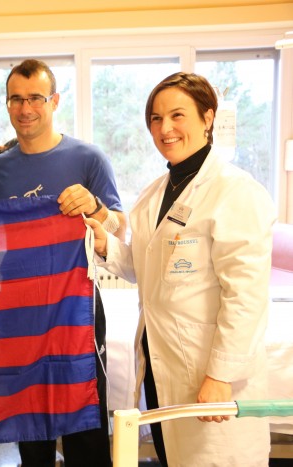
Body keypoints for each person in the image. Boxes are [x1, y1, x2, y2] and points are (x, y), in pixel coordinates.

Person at [86, 72, 275, 466]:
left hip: (210, 371)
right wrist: (107, 245)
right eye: (156, 119)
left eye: (177, 115)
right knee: (173, 456)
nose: (165, 128)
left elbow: (246, 296)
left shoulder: (235, 192)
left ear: (208, 118)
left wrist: (221, 376)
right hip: (161, 363)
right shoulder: (155, 193)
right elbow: (147, 268)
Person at [0, 59, 124, 467]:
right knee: (30, 426)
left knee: (86, 423)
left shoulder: (88, 158)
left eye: (36, 98)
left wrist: (95, 208)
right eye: (16, 99)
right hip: (17, 309)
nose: (25, 108)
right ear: (7, 104)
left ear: (55, 101)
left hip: (75, 305)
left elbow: (121, 231)